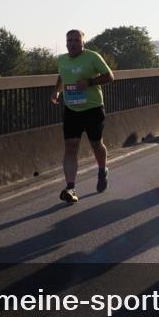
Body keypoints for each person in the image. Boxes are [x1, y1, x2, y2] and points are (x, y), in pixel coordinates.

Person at [52, 29, 115, 204]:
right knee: (71, 147)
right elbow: (62, 76)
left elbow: (110, 76)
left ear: (82, 43)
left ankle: (102, 170)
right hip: (72, 109)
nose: (72, 43)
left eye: (76, 40)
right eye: (69, 40)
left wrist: (89, 82)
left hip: (93, 108)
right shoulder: (62, 59)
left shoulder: (92, 56)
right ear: (66, 43)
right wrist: (56, 92)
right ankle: (70, 187)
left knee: (96, 144)